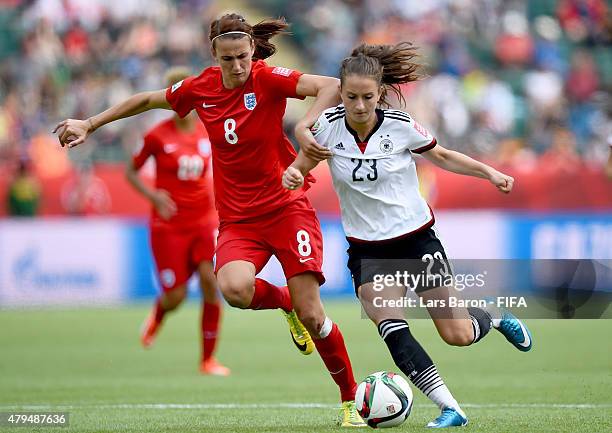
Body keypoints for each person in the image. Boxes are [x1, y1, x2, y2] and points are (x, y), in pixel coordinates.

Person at [54, 13, 365, 427]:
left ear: (253, 51)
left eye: (242, 57)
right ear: (213, 55)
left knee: (314, 315)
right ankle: (284, 303)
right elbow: (148, 99)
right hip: (238, 220)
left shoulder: (268, 79)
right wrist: (90, 123)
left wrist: (307, 123)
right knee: (233, 289)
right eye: (227, 59)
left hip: (288, 208)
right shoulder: (200, 87)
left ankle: (349, 401)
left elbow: (330, 86)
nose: (236, 67)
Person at [283, 42, 533, 429]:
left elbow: (444, 156)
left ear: (380, 93)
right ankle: (451, 408)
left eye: (368, 97)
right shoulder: (328, 127)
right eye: (351, 96)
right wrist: (294, 174)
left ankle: (495, 317)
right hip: (367, 251)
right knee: (392, 329)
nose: (360, 105)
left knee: (458, 334)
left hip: (416, 241)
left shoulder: (399, 126)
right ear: (342, 93)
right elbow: (302, 166)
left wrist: (490, 173)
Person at [125, 67, 229, 376]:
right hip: (168, 224)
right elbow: (130, 171)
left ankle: (208, 360)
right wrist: (153, 196)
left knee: (212, 283)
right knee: (176, 296)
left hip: (204, 221)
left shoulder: (208, 130)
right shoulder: (156, 136)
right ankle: (158, 316)